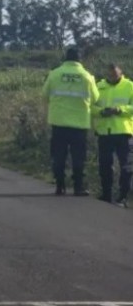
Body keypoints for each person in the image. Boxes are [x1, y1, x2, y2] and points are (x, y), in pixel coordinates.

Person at [42, 48, 100, 196]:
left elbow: (45, 95)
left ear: (65, 58)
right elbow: (96, 99)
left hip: (59, 123)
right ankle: (78, 187)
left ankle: (60, 186)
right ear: (80, 59)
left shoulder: (54, 74)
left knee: (58, 156)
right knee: (79, 157)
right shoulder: (87, 77)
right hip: (79, 124)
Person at [93, 63, 133, 206]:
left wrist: (119, 110)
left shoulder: (129, 86)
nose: (112, 76)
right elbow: (91, 107)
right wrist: (101, 112)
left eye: (115, 74)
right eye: (110, 74)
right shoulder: (99, 86)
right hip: (105, 132)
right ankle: (106, 194)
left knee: (126, 166)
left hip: (124, 132)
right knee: (105, 165)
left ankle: (122, 197)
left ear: (121, 72)